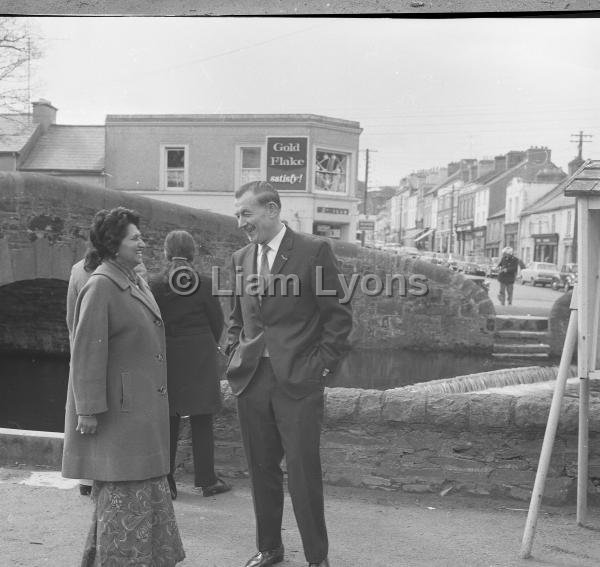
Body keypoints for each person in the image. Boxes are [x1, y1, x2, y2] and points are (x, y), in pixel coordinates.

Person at [225, 181, 353, 567]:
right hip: (252, 381)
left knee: (303, 475)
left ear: (272, 209)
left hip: (299, 382)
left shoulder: (314, 251)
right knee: (261, 470)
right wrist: (234, 354)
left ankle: (317, 558)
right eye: (237, 215)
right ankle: (270, 549)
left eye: (246, 214)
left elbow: (339, 320)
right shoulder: (240, 258)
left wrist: (319, 368)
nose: (240, 223)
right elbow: (235, 319)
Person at [62, 207, 185, 566]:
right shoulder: (101, 285)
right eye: (135, 238)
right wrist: (87, 409)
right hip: (121, 415)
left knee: (139, 492)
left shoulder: (132, 279)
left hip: (140, 412)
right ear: (115, 245)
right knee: (123, 495)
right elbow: (86, 351)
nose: (143, 242)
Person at [149, 230, 231, 500]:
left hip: (168, 354)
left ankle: (168, 481)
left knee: (169, 416)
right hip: (199, 354)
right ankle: (207, 480)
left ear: (165, 252)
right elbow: (217, 320)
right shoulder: (205, 283)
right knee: (202, 416)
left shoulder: (156, 283)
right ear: (193, 253)